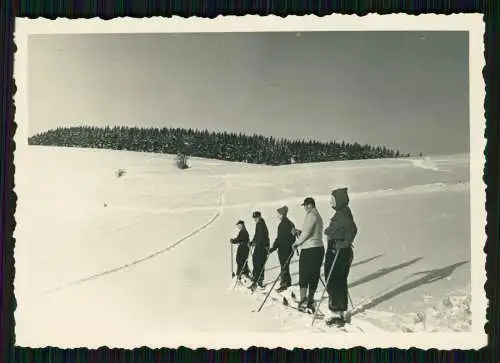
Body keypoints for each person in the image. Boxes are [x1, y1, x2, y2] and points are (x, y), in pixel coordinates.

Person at [323, 187, 358, 327]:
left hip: (339, 252)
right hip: (335, 250)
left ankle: (338, 313)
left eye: (333, 200)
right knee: (334, 279)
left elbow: (353, 230)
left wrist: (344, 243)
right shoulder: (341, 213)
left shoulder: (344, 214)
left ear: (340, 200)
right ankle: (337, 310)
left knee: (336, 280)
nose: (331, 202)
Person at [291, 197, 325, 312]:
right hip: (318, 248)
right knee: (314, 275)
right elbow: (311, 233)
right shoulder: (318, 216)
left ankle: (303, 300)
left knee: (304, 274)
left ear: (310, 205)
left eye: (305, 205)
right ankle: (310, 301)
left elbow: (306, 233)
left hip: (309, 250)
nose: (304, 208)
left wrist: (296, 243)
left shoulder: (311, 215)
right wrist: (299, 233)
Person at [269, 206, 296, 292]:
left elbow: (279, 238)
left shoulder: (282, 225)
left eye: (278, 214)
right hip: (289, 249)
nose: (277, 216)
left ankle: (284, 284)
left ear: (282, 214)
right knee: (285, 266)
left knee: (284, 266)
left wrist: (273, 248)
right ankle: (287, 283)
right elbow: (293, 237)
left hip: (284, 249)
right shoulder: (291, 223)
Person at [249, 211, 270, 290]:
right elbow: (256, 235)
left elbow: (261, 237)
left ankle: (257, 281)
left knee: (258, 263)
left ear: (259, 217)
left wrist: (254, 242)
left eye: (256, 218)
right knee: (257, 262)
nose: (255, 219)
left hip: (262, 247)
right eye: (254, 218)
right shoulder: (259, 224)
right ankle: (258, 280)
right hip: (260, 246)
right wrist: (252, 242)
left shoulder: (261, 224)